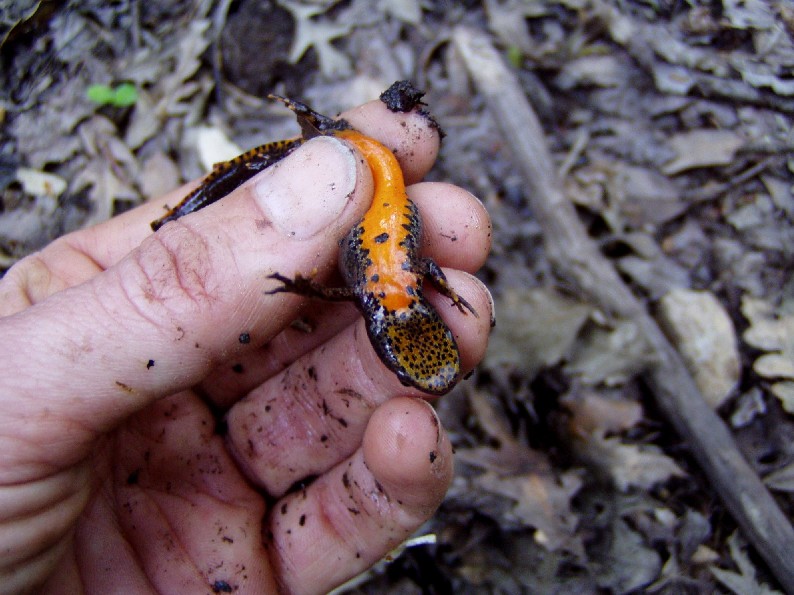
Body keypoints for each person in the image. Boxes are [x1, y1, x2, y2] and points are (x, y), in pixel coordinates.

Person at [0, 97, 492, 593]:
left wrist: (308, 290)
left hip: (376, 189)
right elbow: (405, 273)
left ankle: (323, 132)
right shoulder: (372, 294)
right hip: (368, 181)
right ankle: (322, 132)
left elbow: (408, 273)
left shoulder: (378, 290)